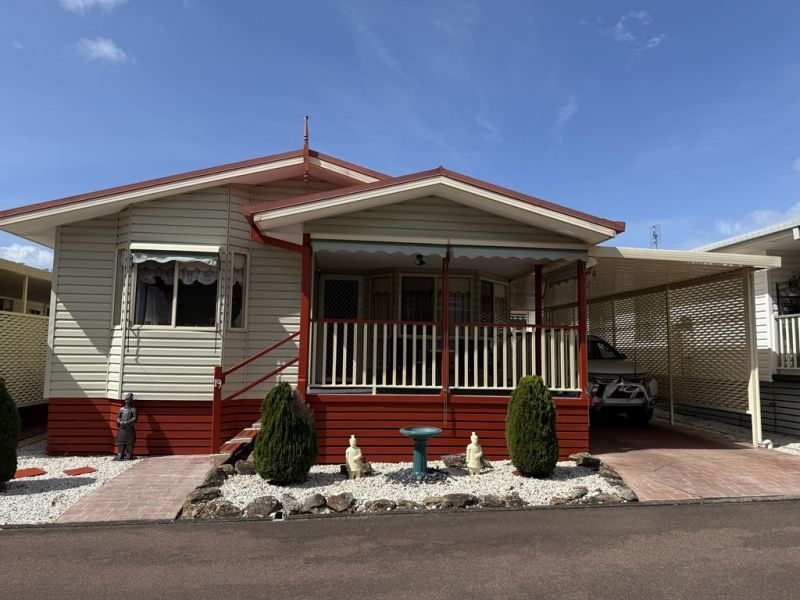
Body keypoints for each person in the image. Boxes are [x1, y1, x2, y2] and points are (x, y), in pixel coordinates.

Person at [114, 393, 138, 461]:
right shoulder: (121, 409)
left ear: (131, 400)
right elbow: (118, 417)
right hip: (122, 428)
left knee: (129, 441)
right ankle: (120, 453)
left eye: (129, 399)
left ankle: (129, 453)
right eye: (126, 399)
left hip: (129, 428)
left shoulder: (133, 409)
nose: (127, 401)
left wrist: (126, 423)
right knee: (121, 440)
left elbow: (134, 418)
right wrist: (120, 422)